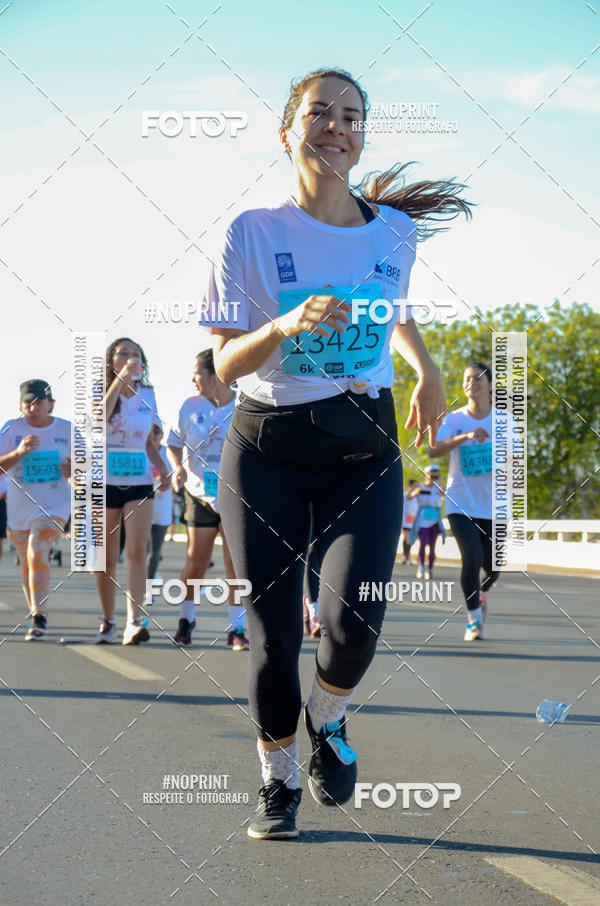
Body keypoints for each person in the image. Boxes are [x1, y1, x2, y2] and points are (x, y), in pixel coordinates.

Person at [202, 67, 472, 839]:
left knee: (355, 622)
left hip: (363, 444)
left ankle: (330, 718)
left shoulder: (394, 230)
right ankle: (278, 780)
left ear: (362, 135)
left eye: (352, 116)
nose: (336, 126)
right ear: (288, 130)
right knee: (273, 633)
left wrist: (426, 368)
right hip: (266, 449)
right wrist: (283, 328)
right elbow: (224, 366)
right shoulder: (250, 232)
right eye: (320, 113)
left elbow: (395, 304)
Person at [167, 350, 244, 648]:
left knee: (234, 563)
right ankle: (186, 619)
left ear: (216, 374)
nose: (193, 378)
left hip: (236, 493)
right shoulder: (189, 406)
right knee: (196, 562)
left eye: (197, 372)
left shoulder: (243, 405)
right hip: (199, 493)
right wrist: (177, 470)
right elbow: (173, 444)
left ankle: (236, 628)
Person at [95, 338, 169, 645]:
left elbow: (149, 442)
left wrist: (162, 469)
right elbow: (98, 420)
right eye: (123, 353)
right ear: (112, 361)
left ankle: (134, 620)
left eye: (135, 354)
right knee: (107, 556)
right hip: (104, 480)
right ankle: (109, 618)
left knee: (138, 550)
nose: (130, 358)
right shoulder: (101, 391)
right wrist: (119, 382)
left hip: (139, 479)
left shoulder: (149, 394)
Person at [429, 362, 498, 640]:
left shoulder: (503, 420)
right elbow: (434, 451)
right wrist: (467, 436)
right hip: (460, 503)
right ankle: (473, 620)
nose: (473, 382)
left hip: (494, 504)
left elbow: (517, 458)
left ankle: (481, 593)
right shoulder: (455, 419)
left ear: (491, 385)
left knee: (493, 567)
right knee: (471, 557)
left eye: (479, 378)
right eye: (467, 378)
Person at [0, 380, 71, 640]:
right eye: (27, 402)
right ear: (20, 405)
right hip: (20, 506)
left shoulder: (66, 429)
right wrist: (18, 452)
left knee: (36, 550)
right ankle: (35, 610)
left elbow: (88, 467)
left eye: (39, 402)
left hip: (56, 504)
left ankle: (39, 616)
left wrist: (75, 469)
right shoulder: (11, 429)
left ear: (50, 404)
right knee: (27, 563)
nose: (33, 407)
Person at [145, 425, 173, 603]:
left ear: (162, 434)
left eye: (157, 432)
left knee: (155, 553)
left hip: (162, 509)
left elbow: (175, 474)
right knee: (142, 551)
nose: (154, 436)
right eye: (151, 432)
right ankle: (143, 588)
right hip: (143, 508)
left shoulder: (168, 453)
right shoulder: (142, 451)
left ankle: (149, 588)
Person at [407, 464, 446, 579]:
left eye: (436, 473)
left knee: (432, 547)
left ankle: (430, 569)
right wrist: (416, 493)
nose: (433, 475)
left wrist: (439, 481)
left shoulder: (438, 487)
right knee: (423, 544)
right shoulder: (419, 486)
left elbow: (445, 494)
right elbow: (409, 497)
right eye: (431, 473)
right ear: (425, 474)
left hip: (434, 520)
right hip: (422, 521)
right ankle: (421, 566)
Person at [400, 479, 419, 564]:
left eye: (416, 486)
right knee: (406, 537)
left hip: (413, 521)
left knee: (410, 539)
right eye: (414, 486)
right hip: (405, 520)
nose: (415, 487)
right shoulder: (404, 496)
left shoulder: (417, 498)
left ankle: (407, 556)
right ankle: (406, 556)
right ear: (409, 486)